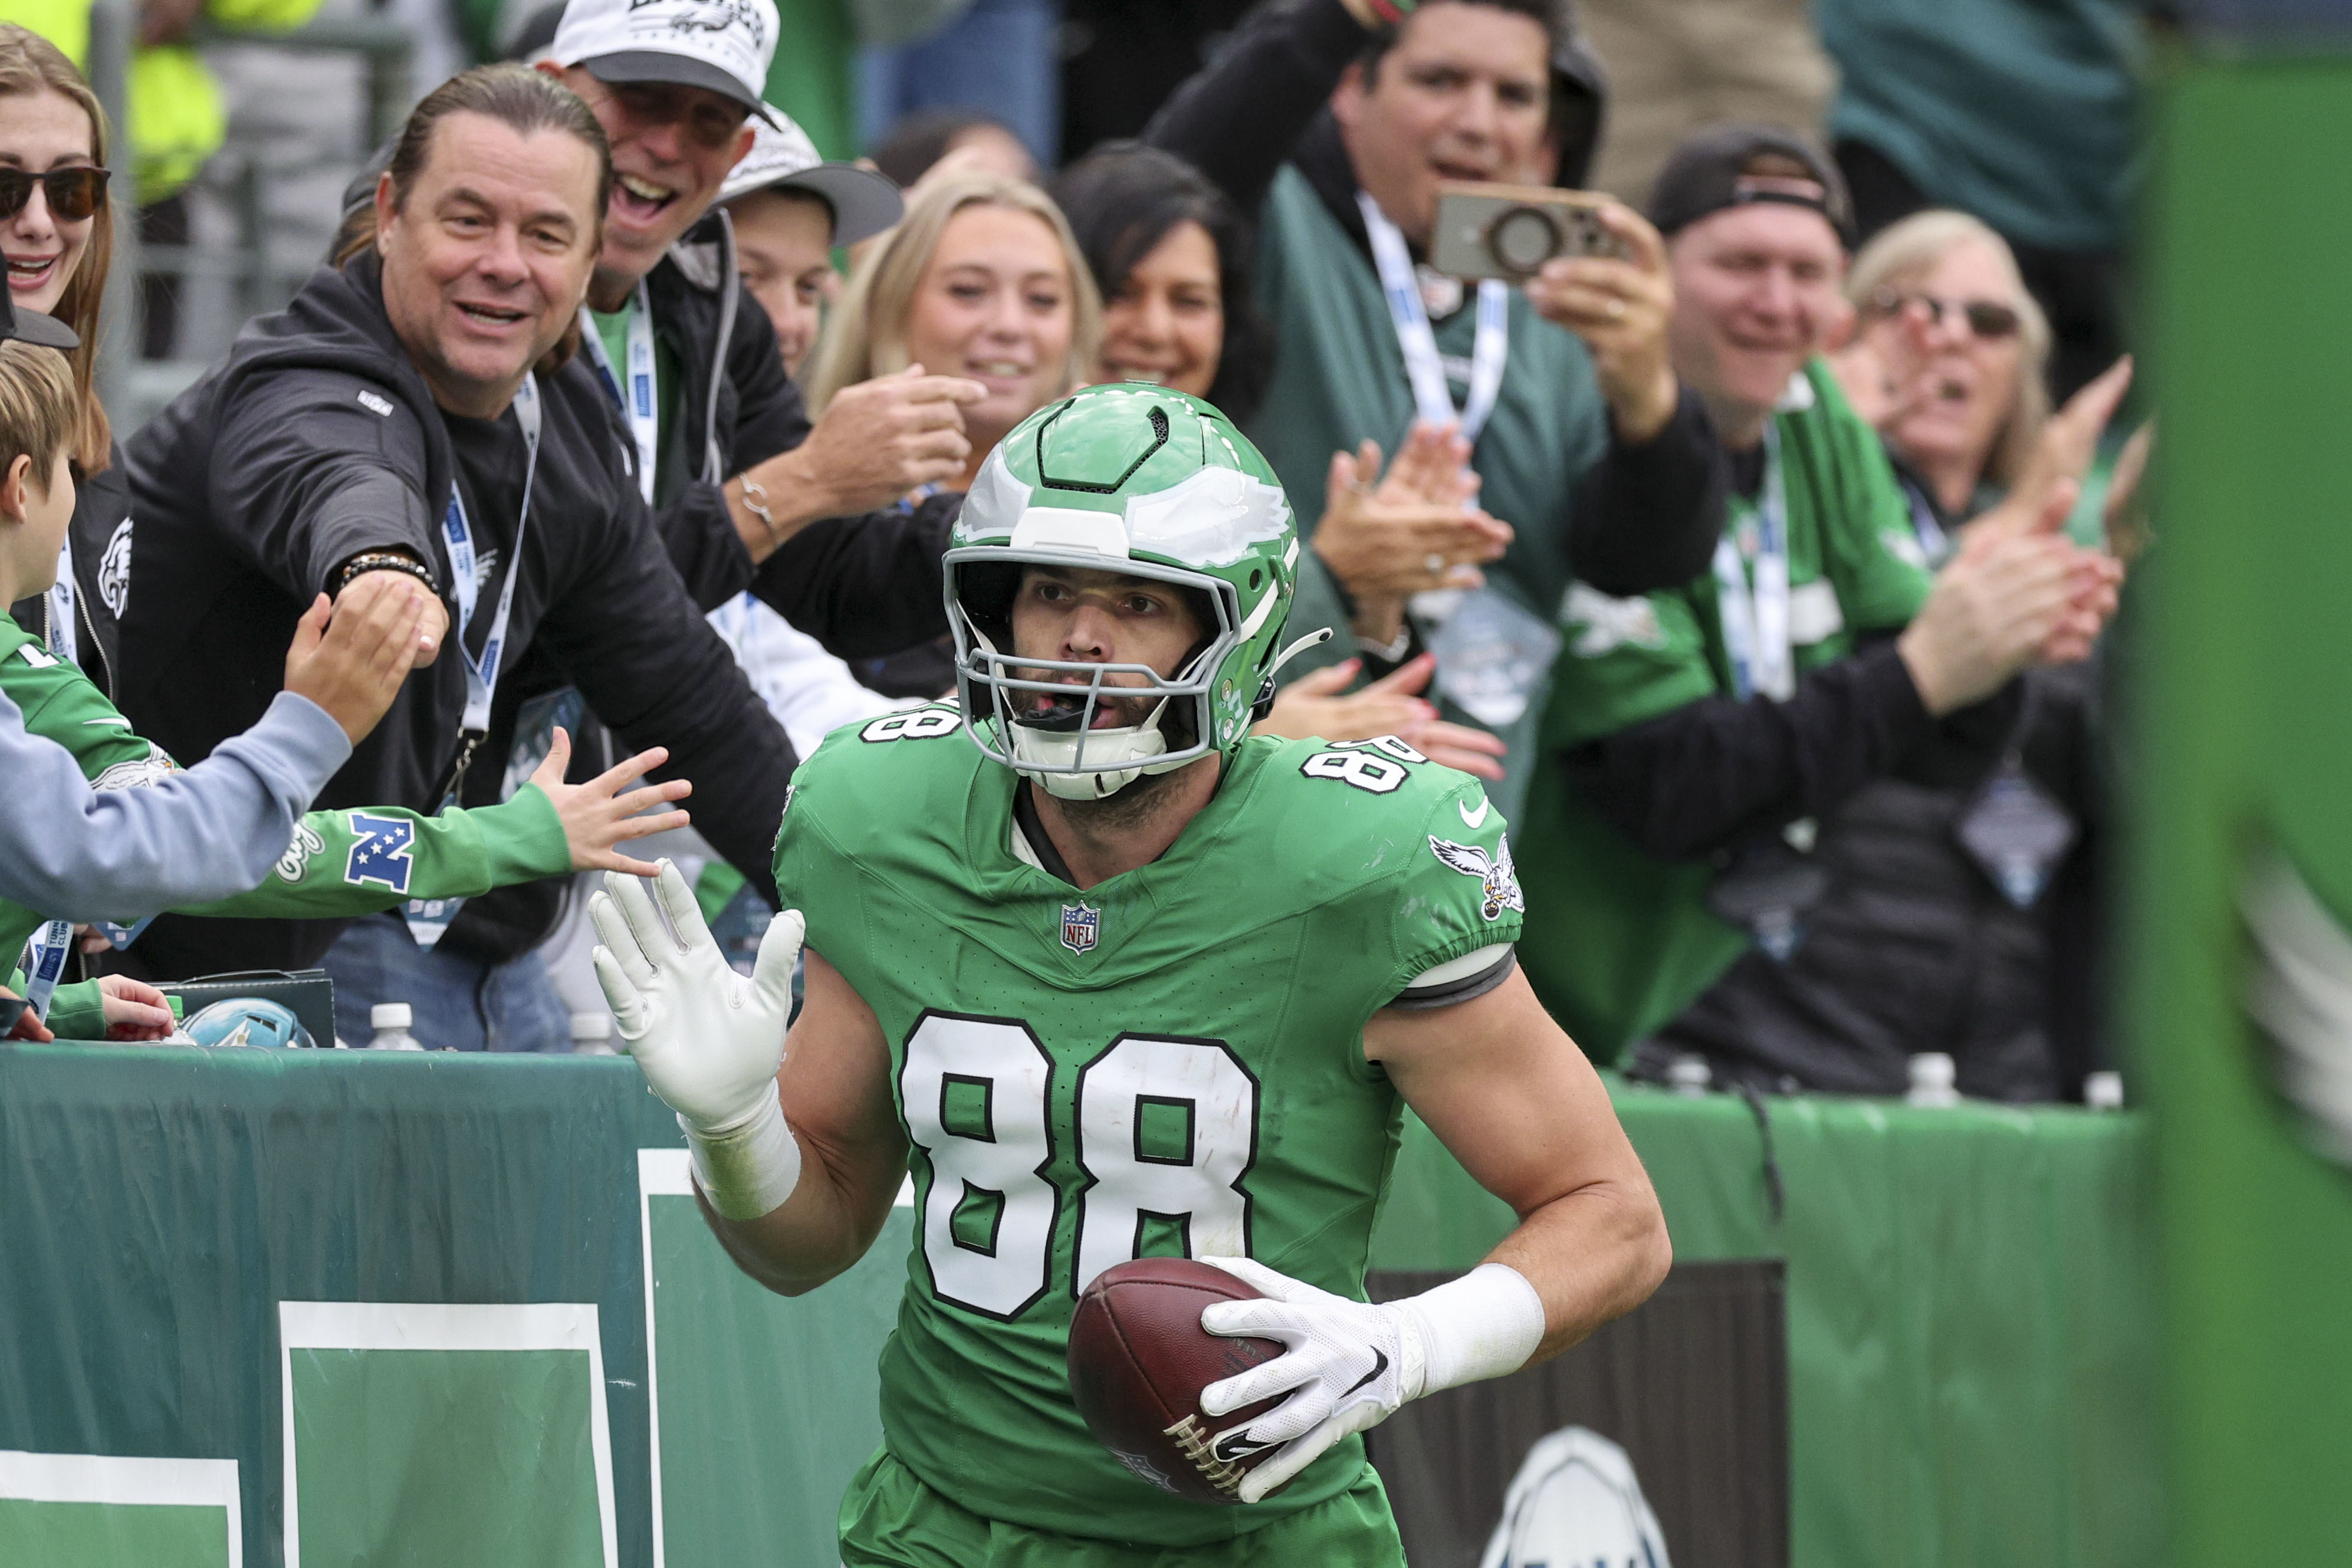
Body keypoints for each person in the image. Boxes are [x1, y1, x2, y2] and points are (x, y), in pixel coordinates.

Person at [590, 384, 1671, 1564]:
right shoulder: (880, 818)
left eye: (1138, 602)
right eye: (1050, 593)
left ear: (1235, 630)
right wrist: (736, 1129)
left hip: (1256, 1543)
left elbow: (1611, 1218)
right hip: (946, 1529)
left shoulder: (1356, 862)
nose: (1081, 640)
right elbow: (807, 1241)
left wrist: (1401, 1347)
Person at [107, 66, 798, 1053]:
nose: (504, 264)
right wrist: (378, 564)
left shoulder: (566, 428)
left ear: (592, 257)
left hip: (408, 925)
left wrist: (860, 904)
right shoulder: (303, 368)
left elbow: (695, 708)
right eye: (468, 221)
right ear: (390, 214)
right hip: (159, 967)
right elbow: (335, 463)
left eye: (546, 235)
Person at [1512, 126, 2123, 1068]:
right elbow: (1669, 782)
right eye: (1741, 264)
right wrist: (1928, 669)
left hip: (1689, 986)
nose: (1775, 302)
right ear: (1656, 274)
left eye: (1806, 271)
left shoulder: (1814, 417)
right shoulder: (1591, 427)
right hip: (1536, 988)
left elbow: (1948, 732)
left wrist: (1992, 634)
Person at [0, 326, 686, 1039]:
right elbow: (222, 850)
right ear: (22, 487)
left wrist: (49, 1004)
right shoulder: (25, 680)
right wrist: (503, 832)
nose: (82, 497)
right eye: (70, 470)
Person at [1147, 0, 1726, 816]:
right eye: (1439, 81)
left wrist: (1649, 399)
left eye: (1514, 95)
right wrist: (1338, 17)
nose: (1478, 123)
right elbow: (1168, 185)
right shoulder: (1271, 219)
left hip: (1467, 844)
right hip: (1244, 805)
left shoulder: (1566, 298)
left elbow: (1641, 560)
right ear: (1350, 89)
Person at [1052, 140, 1507, 778]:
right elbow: (1066, 750)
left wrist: (1376, 617)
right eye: (1119, 294)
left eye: (1190, 301)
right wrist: (1333, 582)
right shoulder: (1001, 483)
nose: (1156, 330)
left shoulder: (1237, 490)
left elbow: (1327, 726)